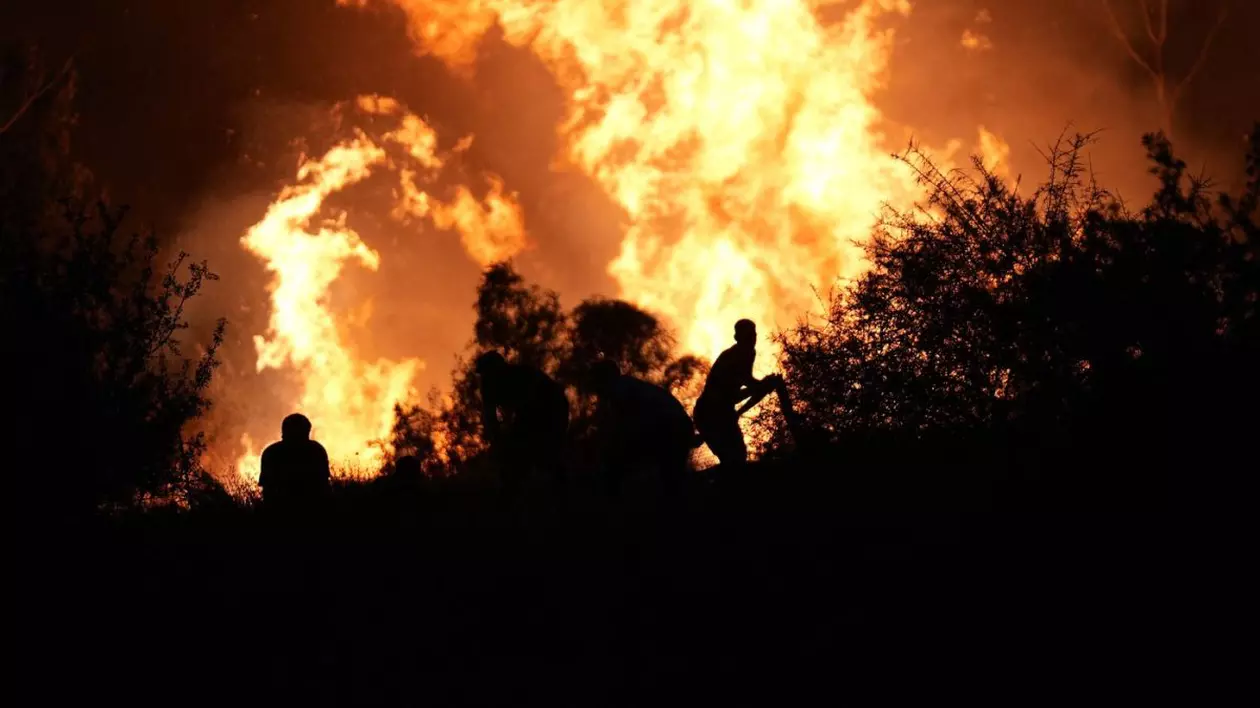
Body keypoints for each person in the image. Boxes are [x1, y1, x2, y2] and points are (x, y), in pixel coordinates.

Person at [589, 359, 698, 494]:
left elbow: (624, 428)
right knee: (671, 478)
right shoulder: (630, 385)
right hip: (677, 427)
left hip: (670, 428)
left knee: (668, 479)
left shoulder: (619, 388)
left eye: (595, 381)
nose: (594, 389)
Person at [474, 351, 570, 496]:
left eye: (489, 372)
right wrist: (497, 440)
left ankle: (563, 490)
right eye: (483, 374)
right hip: (530, 413)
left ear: (500, 368)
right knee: (516, 456)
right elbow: (490, 417)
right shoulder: (487, 386)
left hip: (552, 408)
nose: (486, 377)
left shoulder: (522, 375)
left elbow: (532, 405)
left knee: (546, 453)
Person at [692, 319, 781, 469]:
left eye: (753, 335)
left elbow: (746, 385)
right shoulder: (730, 357)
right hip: (709, 413)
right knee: (732, 459)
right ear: (737, 338)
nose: (752, 339)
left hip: (724, 412)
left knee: (738, 456)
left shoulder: (749, 353)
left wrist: (761, 386)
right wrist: (761, 385)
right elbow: (738, 390)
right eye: (747, 336)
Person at [259, 413, 331, 510]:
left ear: (283, 432)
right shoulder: (317, 450)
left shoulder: (271, 452)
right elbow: (324, 486)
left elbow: (267, 490)